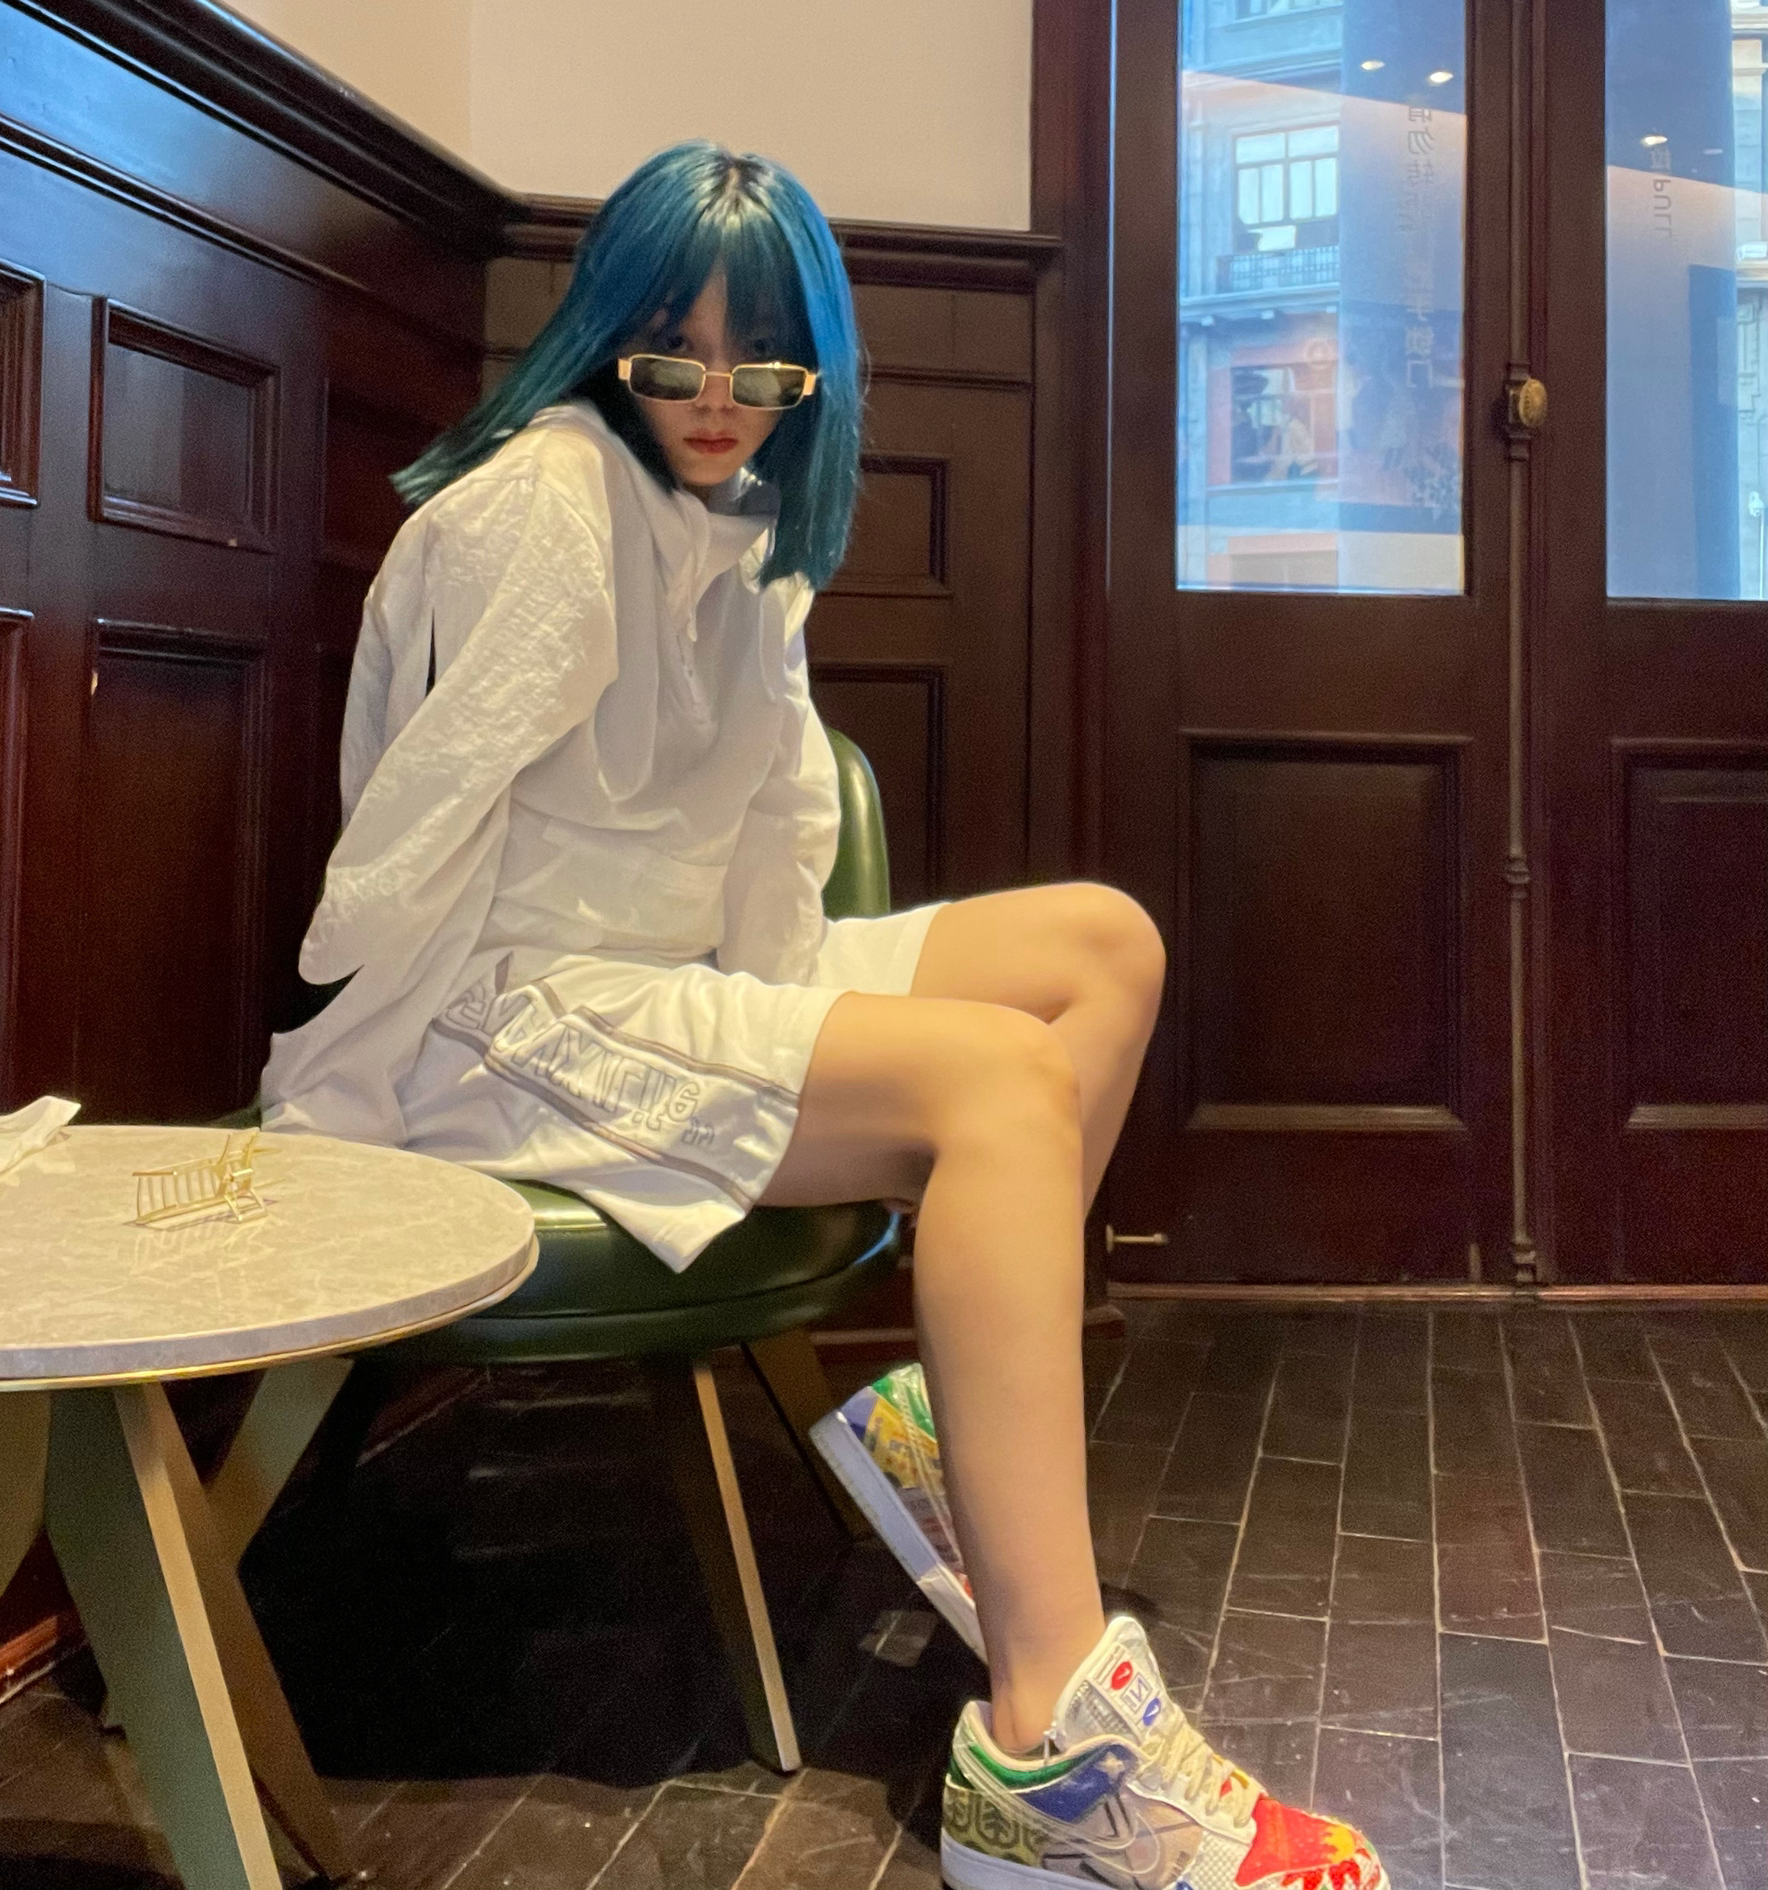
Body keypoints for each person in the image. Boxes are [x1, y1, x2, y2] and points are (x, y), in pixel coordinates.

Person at [262, 143, 1386, 1890]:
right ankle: (1047, 1752)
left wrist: (795, 1005)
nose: (717, 397)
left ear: (815, 370)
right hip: (502, 1006)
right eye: (673, 352)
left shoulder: (748, 515)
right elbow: (412, 824)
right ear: (602, 338)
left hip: (683, 967)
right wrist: (348, 1088)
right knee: (998, 1086)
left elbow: (776, 821)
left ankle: (950, 1428)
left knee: (1101, 946)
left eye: (764, 363)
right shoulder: (549, 501)